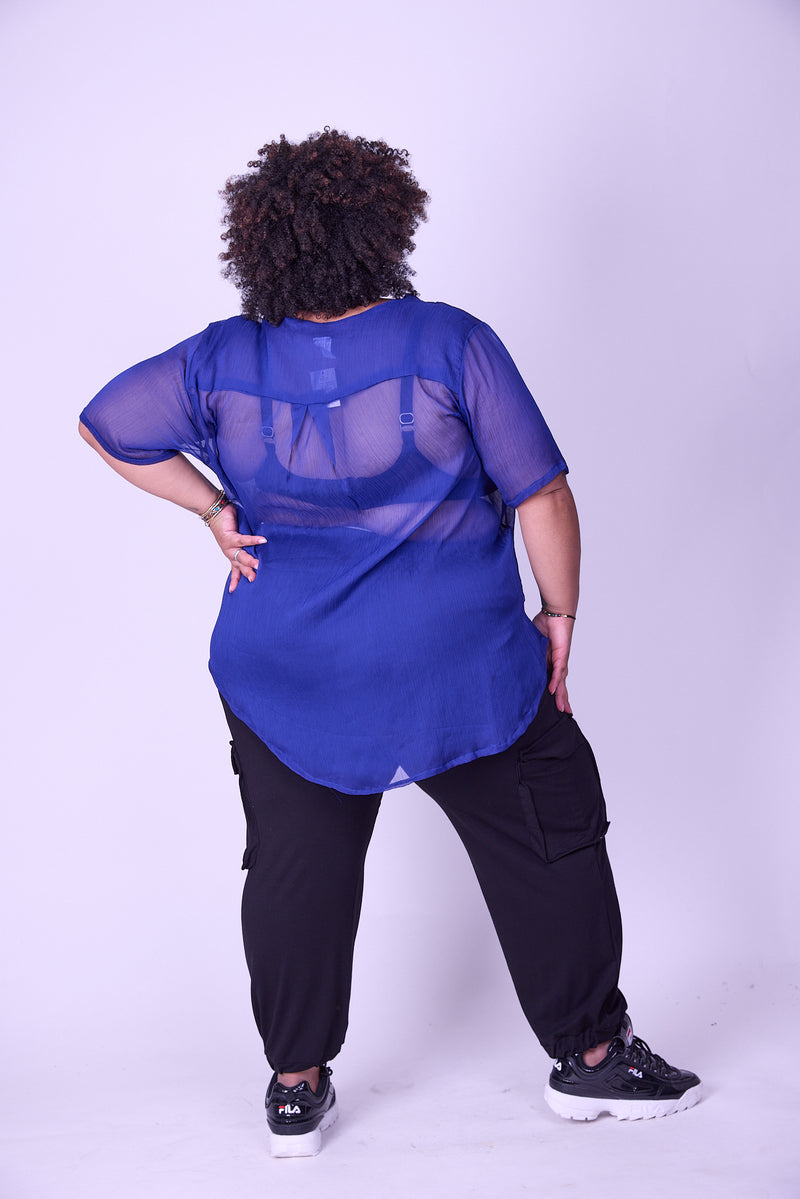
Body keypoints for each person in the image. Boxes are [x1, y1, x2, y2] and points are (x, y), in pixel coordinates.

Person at [79, 128, 701, 1158]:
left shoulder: (222, 359)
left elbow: (105, 423)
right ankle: (593, 1058)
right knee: (550, 829)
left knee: (294, 867)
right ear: (385, 228)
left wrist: (212, 508)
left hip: (285, 672)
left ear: (261, 243)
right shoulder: (451, 342)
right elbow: (542, 492)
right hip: (459, 668)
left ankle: (294, 1086)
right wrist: (558, 617)